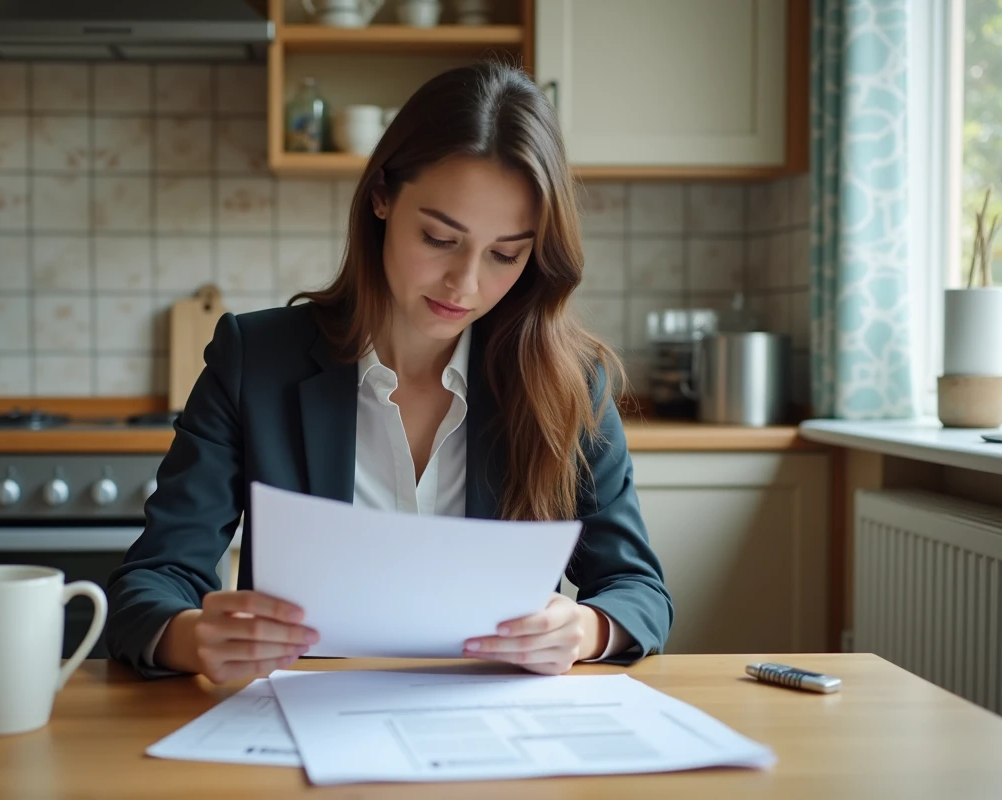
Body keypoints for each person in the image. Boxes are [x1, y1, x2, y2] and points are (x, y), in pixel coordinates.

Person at [105, 61, 672, 682]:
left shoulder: (570, 379)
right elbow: (153, 581)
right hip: (304, 729)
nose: (467, 283)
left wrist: (585, 628)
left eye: (505, 254)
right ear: (381, 196)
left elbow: (636, 589)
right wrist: (192, 637)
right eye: (438, 238)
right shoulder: (255, 359)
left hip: (493, 738)